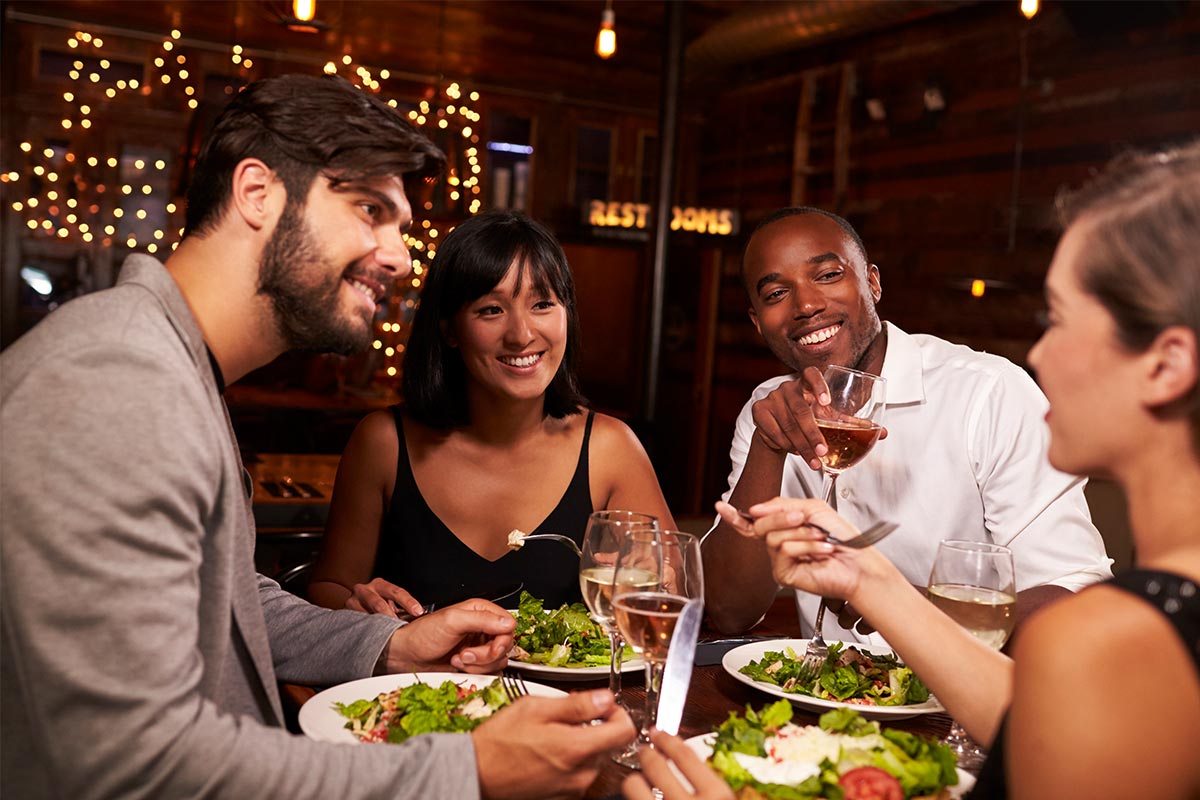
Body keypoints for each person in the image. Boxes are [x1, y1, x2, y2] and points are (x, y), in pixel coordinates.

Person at [1, 73, 633, 800]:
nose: (398, 256)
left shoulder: (169, 367)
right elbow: (131, 763)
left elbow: (235, 606)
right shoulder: (116, 378)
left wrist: (390, 642)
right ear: (257, 193)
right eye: (370, 209)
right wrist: (466, 771)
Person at [689, 142, 1200, 799]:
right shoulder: (1125, 636)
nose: (1037, 350)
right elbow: (1025, 723)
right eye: (778, 292)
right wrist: (871, 583)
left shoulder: (1100, 642)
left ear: (1166, 366)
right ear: (757, 318)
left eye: (1058, 319)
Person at [701, 205, 1113, 639]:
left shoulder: (988, 393)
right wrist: (768, 447)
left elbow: (1077, 595)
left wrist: (892, 599)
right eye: (775, 294)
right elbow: (730, 612)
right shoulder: (768, 410)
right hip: (817, 700)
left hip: (961, 701)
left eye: (827, 275)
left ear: (873, 284)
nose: (805, 304)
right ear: (757, 323)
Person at [308, 209, 674, 617]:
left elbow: (673, 590)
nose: (521, 335)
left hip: (568, 685)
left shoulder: (611, 449)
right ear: (449, 329)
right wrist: (354, 604)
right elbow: (329, 588)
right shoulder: (384, 442)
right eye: (491, 310)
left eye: (542, 304)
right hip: (420, 681)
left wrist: (657, 582)